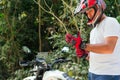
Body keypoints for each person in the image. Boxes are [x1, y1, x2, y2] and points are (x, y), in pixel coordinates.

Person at [65, 0, 120, 80]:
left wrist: (83, 45)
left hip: (108, 74)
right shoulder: (93, 31)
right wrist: (84, 54)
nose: (89, 15)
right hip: (93, 73)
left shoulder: (110, 22)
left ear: (98, 7)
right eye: (87, 13)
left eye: (90, 11)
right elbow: (95, 54)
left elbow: (109, 48)